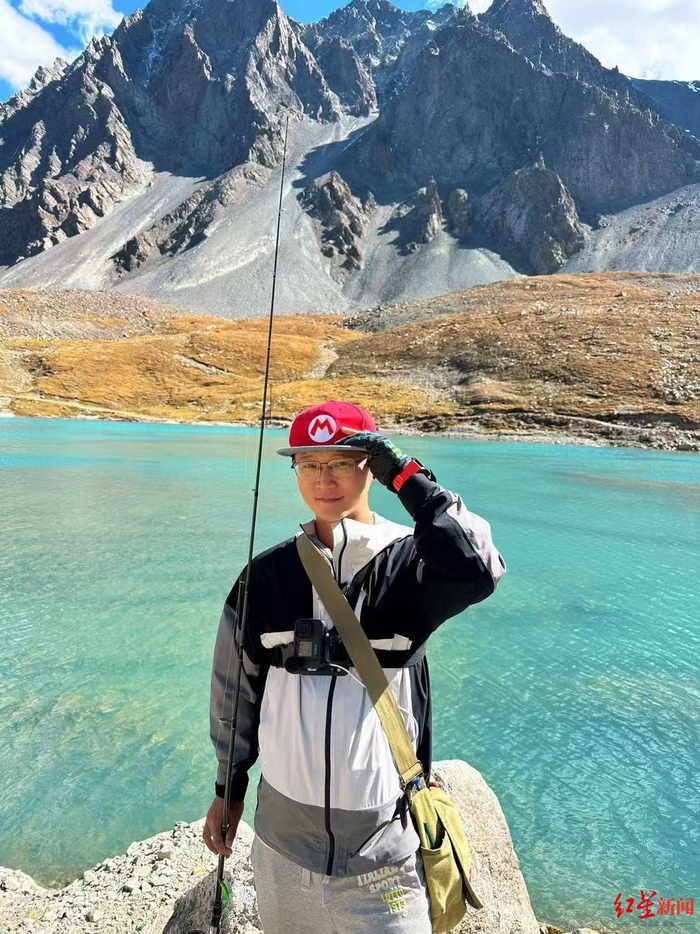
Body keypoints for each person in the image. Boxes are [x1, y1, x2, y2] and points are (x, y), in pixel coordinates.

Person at [203, 399, 507, 933]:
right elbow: (235, 694)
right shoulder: (265, 577)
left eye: (342, 462)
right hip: (282, 855)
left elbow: (479, 566)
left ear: (371, 466)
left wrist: (408, 478)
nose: (325, 480)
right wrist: (229, 789)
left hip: (385, 861)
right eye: (309, 464)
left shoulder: (413, 564)